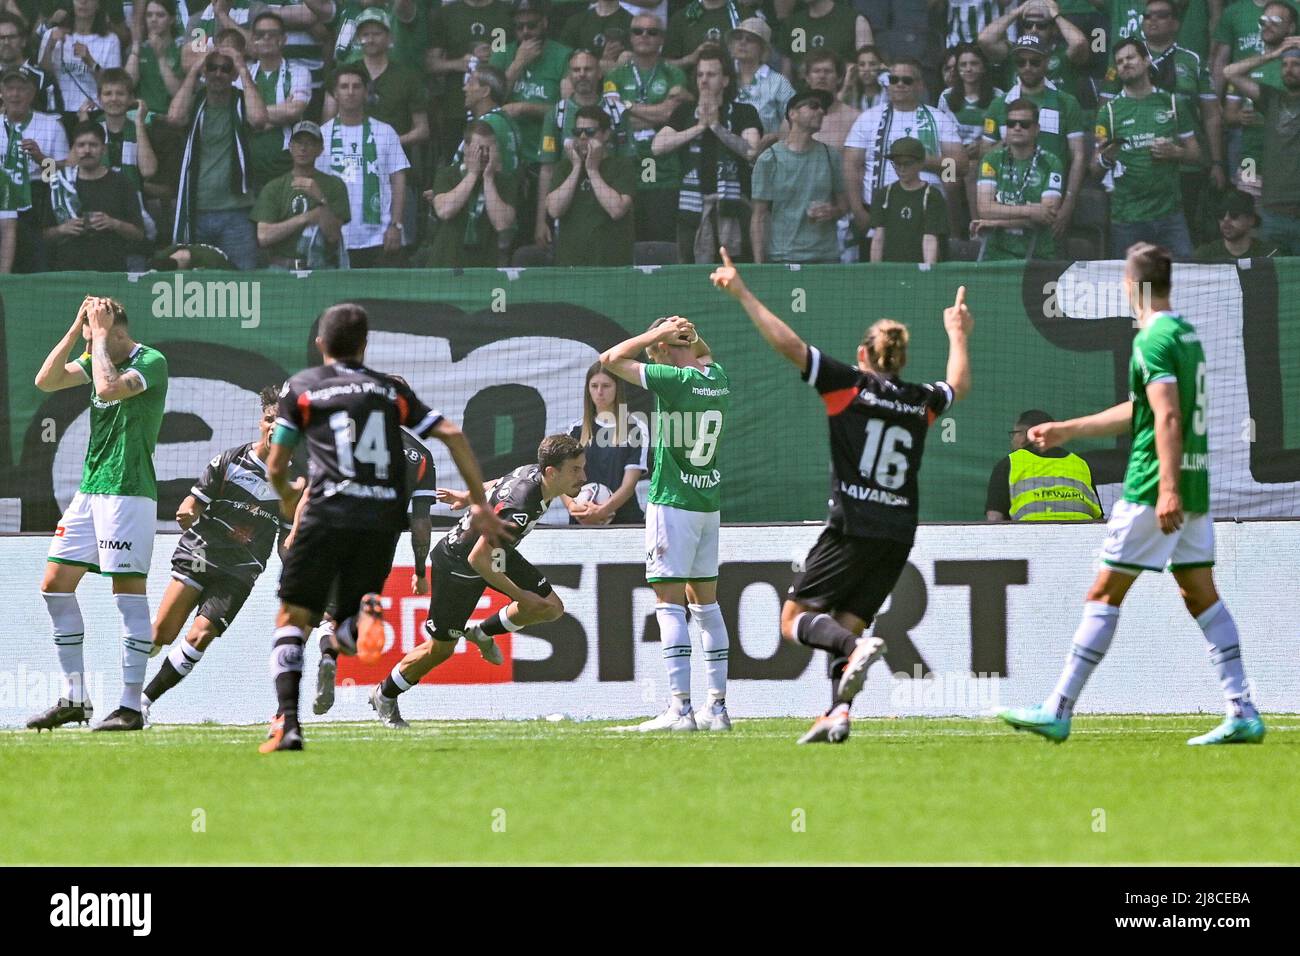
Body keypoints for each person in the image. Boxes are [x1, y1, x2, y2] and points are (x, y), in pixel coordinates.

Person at [999, 242, 1266, 747]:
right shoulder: (1184, 334)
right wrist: (1069, 430)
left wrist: (1165, 489)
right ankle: (1242, 709)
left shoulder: (1152, 339)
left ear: (1134, 285)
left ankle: (1057, 709)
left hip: (1152, 487)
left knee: (1104, 593)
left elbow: (1165, 417)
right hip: (1193, 484)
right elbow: (1145, 408)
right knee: (1199, 593)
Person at [710, 248, 971, 744]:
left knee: (796, 620)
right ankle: (838, 713)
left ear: (863, 356)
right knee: (845, 618)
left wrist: (743, 292)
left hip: (852, 525)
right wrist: (958, 332)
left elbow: (790, 345)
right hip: (898, 532)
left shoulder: (848, 387)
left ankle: (854, 649)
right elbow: (958, 383)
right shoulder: (920, 400)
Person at [260, 303, 508, 752]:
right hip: (377, 526)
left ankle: (289, 723)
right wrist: (478, 502)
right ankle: (347, 635)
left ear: (321, 344)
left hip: (323, 517)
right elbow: (451, 434)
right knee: (350, 615)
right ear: (365, 345)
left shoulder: (303, 387)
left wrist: (285, 492)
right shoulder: (388, 393)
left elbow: (277, 463)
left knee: (292, 617)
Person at [365, 435, 586, 728]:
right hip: (458, 565)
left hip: (494, 555)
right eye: (576, 470)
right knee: (441, 649)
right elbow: (477, 560)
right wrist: (520, 596)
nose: (583, 477)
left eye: (582, 468)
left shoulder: (531, 473)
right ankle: (385, 694)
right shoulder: (520, 507)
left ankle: (481, 633)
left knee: (551, 607)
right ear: (551, 472)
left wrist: (465, 496)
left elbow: (498, 484)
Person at [27, 296, 168, 733]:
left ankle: (129, 705)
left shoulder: (152, 361)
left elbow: (108, 388)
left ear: (116, 330)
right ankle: (75, 698)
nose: (89, 344)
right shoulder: (97, 353)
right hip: (90, 492)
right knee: (54, 586)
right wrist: (76, 330)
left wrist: (100, 338)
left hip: (128, 493)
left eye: (95, 331)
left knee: (127, 596)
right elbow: (45, 381)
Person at [600, 316, 733, 733]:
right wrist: (690, 332)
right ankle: (718, 709)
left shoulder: (671, 380)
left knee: (670, 605)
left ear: (660, 351)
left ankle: (679, 710)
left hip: (673, 504)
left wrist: (656, 335)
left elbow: (609, 359)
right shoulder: (717, 378)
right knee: (707, 606)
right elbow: (703, 352)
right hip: (707, 504)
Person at [141, 387, 296, 718]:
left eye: (281, 423)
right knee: (161, 635)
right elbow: (192, 503)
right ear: (261, 423)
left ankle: (143, 702)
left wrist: (296, 563)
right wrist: (186, 512)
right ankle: (141, 663)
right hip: (201, 552)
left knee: (200, 636)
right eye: (270, 420)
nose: (273, 427)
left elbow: (286, 540)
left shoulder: (293, 482)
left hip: (241, 570)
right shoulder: (229, 462)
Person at [1100, 0, 1225, 246]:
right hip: (1138, 167)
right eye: (1147, 16)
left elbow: (1211, 115)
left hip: (1186, 166)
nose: (1152, 20)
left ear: (1176, 23)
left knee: (1182, 240)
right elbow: (1105, 109)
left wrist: (1218, 163)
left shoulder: (1192, 60)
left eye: (1161, 15)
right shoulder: (1127, 59)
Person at [652, 44, 760, 264]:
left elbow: (751, 151)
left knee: (736, 272)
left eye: (711, 74)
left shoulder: (743, 112)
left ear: (725, 80)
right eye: (700, 74)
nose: (703, 80)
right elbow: (657, 146)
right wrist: (699, 128)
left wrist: (717, 128)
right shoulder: (684, 112)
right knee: (691, 277)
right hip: (691, 210)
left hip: (733, 209)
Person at [843, 56, 964, 251]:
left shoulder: (938, 118)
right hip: (878, 216)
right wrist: (858, 211)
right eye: (894, 80)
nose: (899, 85)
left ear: (920, 86)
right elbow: (851, 166)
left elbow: (959, 165)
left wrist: (921, 162)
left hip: (925, 216)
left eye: (907, 80)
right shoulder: (868, 118)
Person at [165, 48, 270, 270]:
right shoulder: (195, 103)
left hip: (237, 212)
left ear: (233, 75)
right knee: (193, 283)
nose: (218, 73)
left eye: (225, 68)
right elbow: (174, 118)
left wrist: (242, 68)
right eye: (212, 67)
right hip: (196, 210)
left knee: (243, 282)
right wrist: (195, 68)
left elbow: (259, 119)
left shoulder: (242, 102)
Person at [1095, 38, 1199, 259]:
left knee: (1184, 282)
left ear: (1146, 60)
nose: (1125, 64)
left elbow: (1197, 155)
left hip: (1170, 215)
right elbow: (1094, 169)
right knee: (1135, 289)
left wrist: (1176, 152)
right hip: (1127, 219)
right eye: (1119, 61)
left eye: (1130, 57)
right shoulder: (1109, 112)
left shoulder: (1171, 103)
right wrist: (1106, 158)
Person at [981, 34, 1085, 243]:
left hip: (1051, 200)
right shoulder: (999, 104)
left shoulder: (1067, 102)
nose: (1027, 67)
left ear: (1047, 62)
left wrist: (1068, 205)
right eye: (1021, 62)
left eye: (1035, 61)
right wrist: (1012, 138)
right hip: (1006, 201)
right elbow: (985, 153)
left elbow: (1079, 156)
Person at [488, 0, 572, 236]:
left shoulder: (563, 55)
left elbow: (568, 109)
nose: (525, 32)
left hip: (545, 158)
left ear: (544, 23)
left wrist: (525, 107)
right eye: (520, 27)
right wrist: (517, 64)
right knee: (506, 233)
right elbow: (489, 101)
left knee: (541, 232)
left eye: (532, 25)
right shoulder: (503, 53)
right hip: (507, 159)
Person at [535, 49, 633, 249]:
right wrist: (540, 222)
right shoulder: (557, 114)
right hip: (569, 200)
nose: (581, 74)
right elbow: (547, 170)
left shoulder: (616, 112)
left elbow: (628, 164)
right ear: (569, 75)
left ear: (599, 73)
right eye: (576, 69)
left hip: (608, 199)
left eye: (587, 69)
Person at [604, 13, 689, 242]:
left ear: (662, 39)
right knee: (627, 248)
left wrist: (628, 105)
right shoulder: (615, 75)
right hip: (625, 170)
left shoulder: (674, 73)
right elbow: (614, 116)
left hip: (663, 172)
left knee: (661, 246)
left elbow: (669, 114)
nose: (644, 36)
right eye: (638, 31)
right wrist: (654, 112)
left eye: (652, 32)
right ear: (630, 37)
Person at [316, 63, 409, 268]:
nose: (350, 92)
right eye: (344, 86)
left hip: (380, 237)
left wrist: (396, 224)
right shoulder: (321, 136)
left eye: (357, 86)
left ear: (366, 92)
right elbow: (317, 187)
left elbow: (399, 181)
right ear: (335, 94)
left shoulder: (386, 132)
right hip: (337, 237)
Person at [751, 88, 847, 264]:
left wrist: (833, 211)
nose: (820, 112)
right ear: (793, 114)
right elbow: (759, 216)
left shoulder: (830, 155)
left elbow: (843, 205)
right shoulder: (769, 159)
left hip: (826, 257)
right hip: (784, 256)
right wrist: (759, 265)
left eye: (823, 109)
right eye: (813, 106)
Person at [1224, 35, 1300, 253]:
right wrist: (1273, 54)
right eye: (1284, 65)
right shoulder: (1271, 98)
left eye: (1296, 64)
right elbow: (1229, 72)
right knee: (1269, 281)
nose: (1289, 69)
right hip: (1272, 212)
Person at [41, 121, 145, 271]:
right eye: (81, 145)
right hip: (69, 270)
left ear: (104, 149)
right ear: (74, 150)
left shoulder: (121, 183)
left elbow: (138, 234)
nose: (87, 150)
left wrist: (113, 223)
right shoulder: (59, 183)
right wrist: (63, 229)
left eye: (93, 145)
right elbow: (44, 236)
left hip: (111, 270)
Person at [972, 98, 1065, 260]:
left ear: (1036, 129)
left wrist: (996, 222)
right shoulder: (991, 160)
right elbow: (984, 209)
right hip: (995, 255)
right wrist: (1029, 211)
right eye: (1011, 123)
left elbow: (1045, 217)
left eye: (1024, 124)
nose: (1017, 128)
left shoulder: (1052, 163)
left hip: (1038, 255)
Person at [251, 119, 350, 269]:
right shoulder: (274, 187)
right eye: (298, 142)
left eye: (309, 143)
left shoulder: (335, 185)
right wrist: (306, 218)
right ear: (290, 147)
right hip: (282, 268)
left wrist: (321, 200)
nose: (303, 148)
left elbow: (333, 236)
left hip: (321, 268)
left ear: (320, 149)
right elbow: (263, 237)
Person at [427, 0, 515, 166]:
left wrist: (494, 59)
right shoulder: (446, 14)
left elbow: (512, 57)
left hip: (495, 111)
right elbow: (430, 64)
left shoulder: (506, 13)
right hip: (455, 111)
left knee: (495, 167)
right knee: (455, 168)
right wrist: (457, 64)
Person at [545, 104, 637, 264]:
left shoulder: (622, 166)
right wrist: (576, 168)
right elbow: (554, 210)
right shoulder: (564, 167)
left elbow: (616, 210)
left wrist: (592, 170)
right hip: (571, 263)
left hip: (611, 263)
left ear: (606, 134)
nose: (582, 137)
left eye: (589, 132)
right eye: (577, 132)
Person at [0, 66, 69, 274]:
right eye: (10, 88)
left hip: (36, 197)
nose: (15, 94)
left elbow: (59, 175)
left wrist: (41, 159)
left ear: (31, 93)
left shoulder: (50, 125)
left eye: (21, 88)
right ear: (1, 92)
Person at [425, 119, 519, 267]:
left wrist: (488, 179)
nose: (485, 154)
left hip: (485, 266)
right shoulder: (447, 175)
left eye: (490, 148)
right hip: (446, 264)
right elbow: (444, 211)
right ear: (467, 148)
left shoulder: (505, 181)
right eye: (480, 149)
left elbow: (502, 224)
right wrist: (472, 175)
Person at [564, 361, 648, 525]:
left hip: (624, 522)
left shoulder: (635, 427)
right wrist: (572, 506)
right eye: (594, 386)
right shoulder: (576, 430)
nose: (599, 392)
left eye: (606, 386)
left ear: (617, 388)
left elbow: (628, 486)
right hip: (581, 522)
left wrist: (602, 511)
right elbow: (561, 477)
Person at [985, 409, 1102, 521]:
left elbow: (994, 519)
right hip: (1083, 538)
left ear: (1025, 435)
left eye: (1014, 434)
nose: (1012, 440)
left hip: (1029, 539)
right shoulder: (1080, 464)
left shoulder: (1010, 463)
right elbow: (1098, 517)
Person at [245, 11, 310, 190]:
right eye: (260, 34)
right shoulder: (242, 75)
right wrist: (280, 113)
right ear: (253, 40)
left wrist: (254, 116)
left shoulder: (299, 72)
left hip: (286, 164)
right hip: (248, 164)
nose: (266, 38)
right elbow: (236, 116)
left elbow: (295, 111)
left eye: (272, 34)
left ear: (283, 39)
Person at [978, 0, 1090, 96]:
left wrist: (1056, 15)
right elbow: (984, 40)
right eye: (1028, 24)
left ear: (1053, 28)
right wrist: (1017, 11)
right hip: (1018, 116)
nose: (1034, 30)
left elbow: (1079, 43)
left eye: (1041, 26)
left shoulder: (1063, 53)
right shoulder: (1014, 51)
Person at [39, 0, 123, 124]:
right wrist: (50, 46)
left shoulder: (110, 40)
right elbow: (43, 75)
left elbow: (112, 84)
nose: (83, 2)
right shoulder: (52, 34)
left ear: (98, 4)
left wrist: (90, 61)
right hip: (58, 110)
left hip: (94, 111)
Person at [868, 136, 950, 264]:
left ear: (920, 163)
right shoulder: (884, 194)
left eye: (907, 163)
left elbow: (930, 237)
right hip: (890, 269)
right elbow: (878, 236)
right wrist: (875, 271)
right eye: (897, 163)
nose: (901, 169)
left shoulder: (932, 196)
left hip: (919, 270)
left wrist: (928, 271)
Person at [728, 17, 795, 145]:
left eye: (750, 39)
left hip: (766, 156)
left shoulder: (778, 82)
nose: (742, 42)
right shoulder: (724, 78)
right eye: (738, 37)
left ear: (763, 48)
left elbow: (796, 120)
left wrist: (776, 137)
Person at [453, 64, 523, 175]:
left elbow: (469, 172)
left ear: (485, 91)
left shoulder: (487, 124)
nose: (465, 88)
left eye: (471, 83)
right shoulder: (506, 120)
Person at [776, 0, 872, 77]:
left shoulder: (855, 21)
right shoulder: (792, 24)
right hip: (803, 98)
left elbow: (867, 68)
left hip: (842, 96)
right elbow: (786, 75)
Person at [1192, 187, 1280, 259]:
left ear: (1251, 220)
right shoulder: (1205, 256)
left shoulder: (1268, 255)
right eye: (1221, 215)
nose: (1226, 219)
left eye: (1234, 215)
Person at [0, 12, 61, 115]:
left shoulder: (43, 79)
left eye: (12, 37)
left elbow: (54, 121)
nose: (6, 42)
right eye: (1, 38)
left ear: (23, 41)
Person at [801, 50, 859, 149]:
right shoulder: (793, 117)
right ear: (807, 78)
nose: (822, 76)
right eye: (816, 71)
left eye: (828, 71)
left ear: (839, 78)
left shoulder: (855, 118)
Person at [842, 44, 885, 112]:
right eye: (862, 64)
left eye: (872, 64)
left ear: (880, 66)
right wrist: (846, 85)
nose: (866, 69)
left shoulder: (888, 95)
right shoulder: (850, 97)